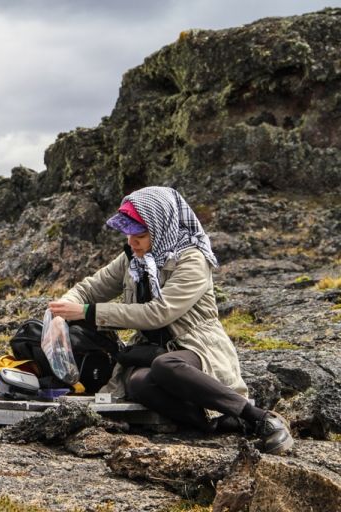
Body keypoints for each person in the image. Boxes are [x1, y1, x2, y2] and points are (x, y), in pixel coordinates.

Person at [47, 186, 293, 455]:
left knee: (165, 365)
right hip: (154, 352)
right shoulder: (132, 258)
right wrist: (61, 314)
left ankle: (258, 417)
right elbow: (89, 288)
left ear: (161, 228)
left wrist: (86, 312)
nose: (132, 242)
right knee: (138, 383)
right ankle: (217, 424)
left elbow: (158, 313)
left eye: (140, 235)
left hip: (196, 348)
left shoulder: (192, 260)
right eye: (129, 235)